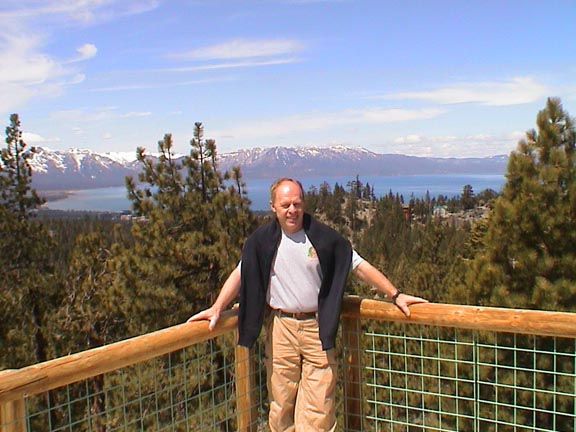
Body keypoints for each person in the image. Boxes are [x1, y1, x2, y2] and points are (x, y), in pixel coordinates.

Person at [188, 177, 428, 431]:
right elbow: (241, 273)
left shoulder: (323, 238)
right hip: (281, 328)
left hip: (317, 328)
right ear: (273, 207)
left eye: (297, 203)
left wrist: (395, 294)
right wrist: (217, 308)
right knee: (280, 404)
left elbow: (358, 266)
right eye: (285, 205)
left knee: (319, 409)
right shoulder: (261, 241)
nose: (292, 210)